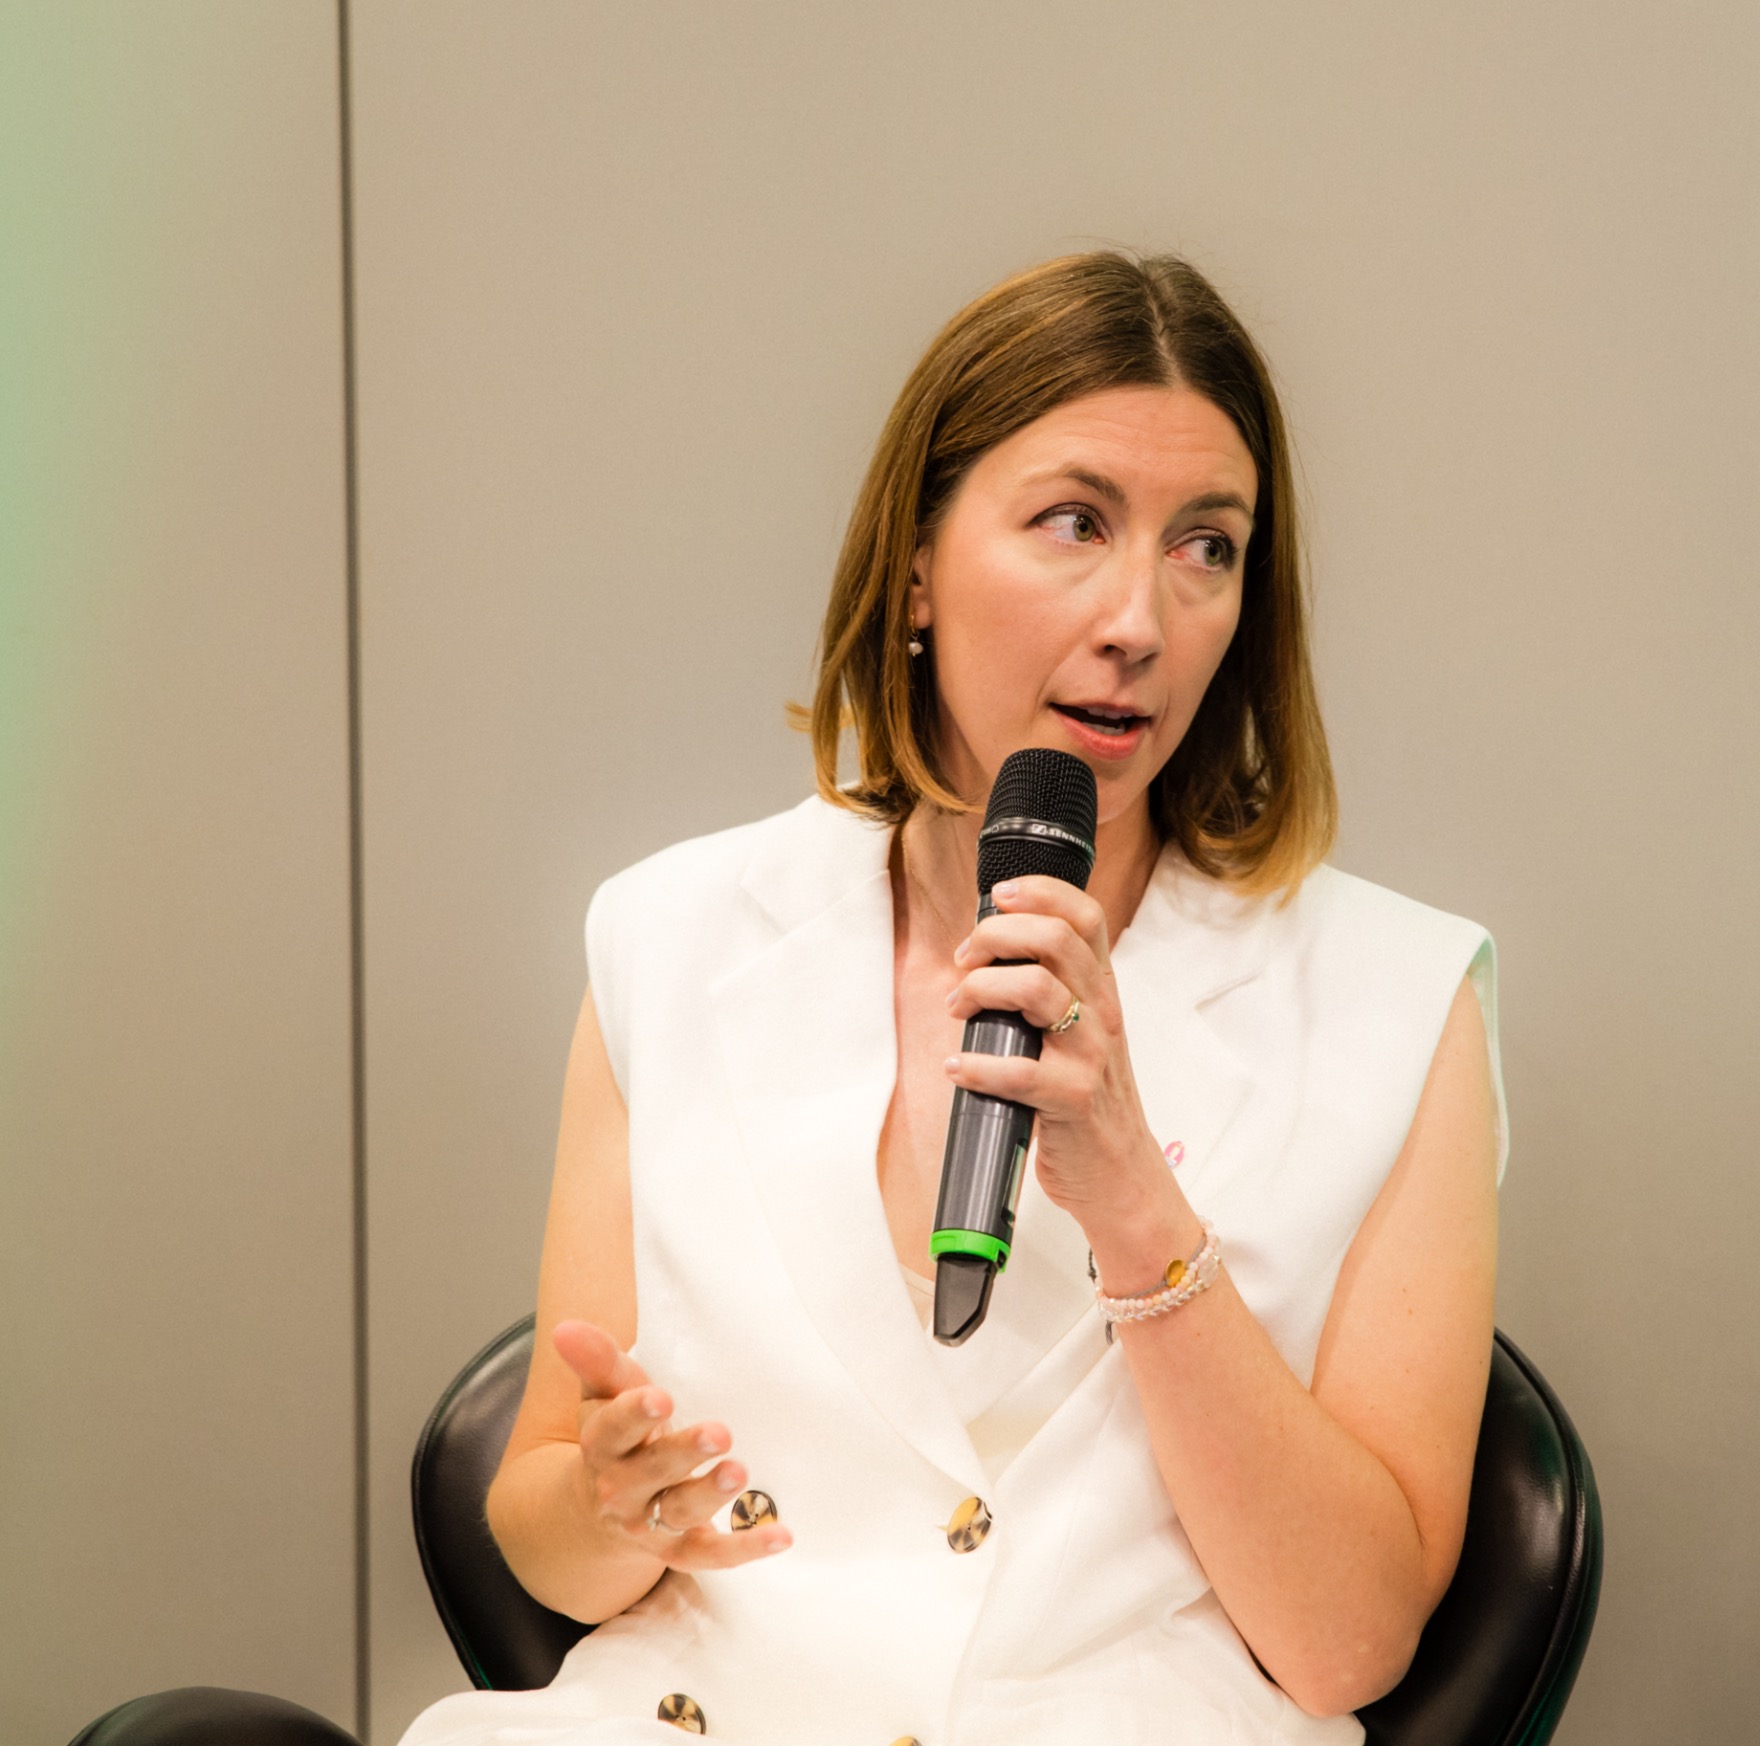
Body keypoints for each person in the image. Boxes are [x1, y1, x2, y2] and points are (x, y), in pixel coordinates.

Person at [400, 252, 1504, 1746]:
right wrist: (609, 1506)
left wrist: (1134, 1200)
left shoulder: (1395, 998)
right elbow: (545, 1534)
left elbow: (1349, 1644)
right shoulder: (673, 934)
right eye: (1075, 522)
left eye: (1208, 547)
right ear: (916, 563)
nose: (1140, 618)